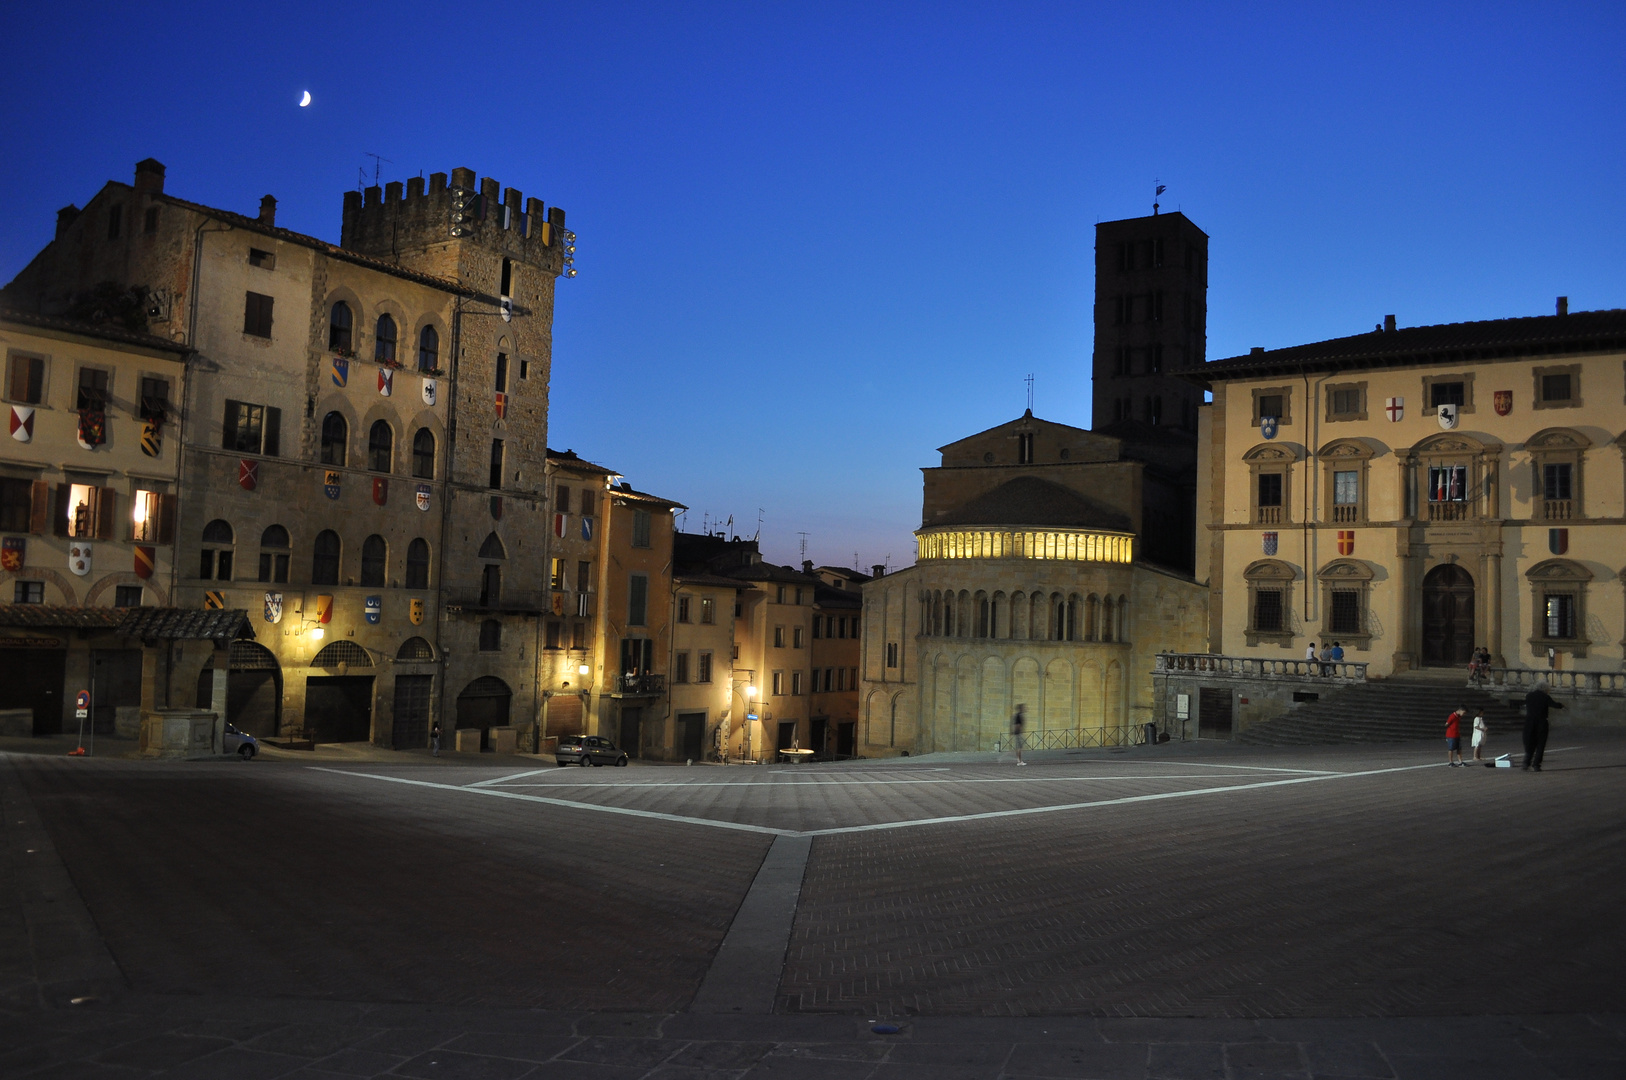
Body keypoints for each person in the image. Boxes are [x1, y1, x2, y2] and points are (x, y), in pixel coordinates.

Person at [1522, 682, 1565, 771]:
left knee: (1530, 743)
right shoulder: (1545, 697)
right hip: (1541, 722)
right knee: (1540, 744)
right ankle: (1536, 764)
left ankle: (1526, 762)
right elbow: (1554, 705)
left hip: (1529, 722)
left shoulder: (1529, 695)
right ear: (1546, 689)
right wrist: (1561, 705)